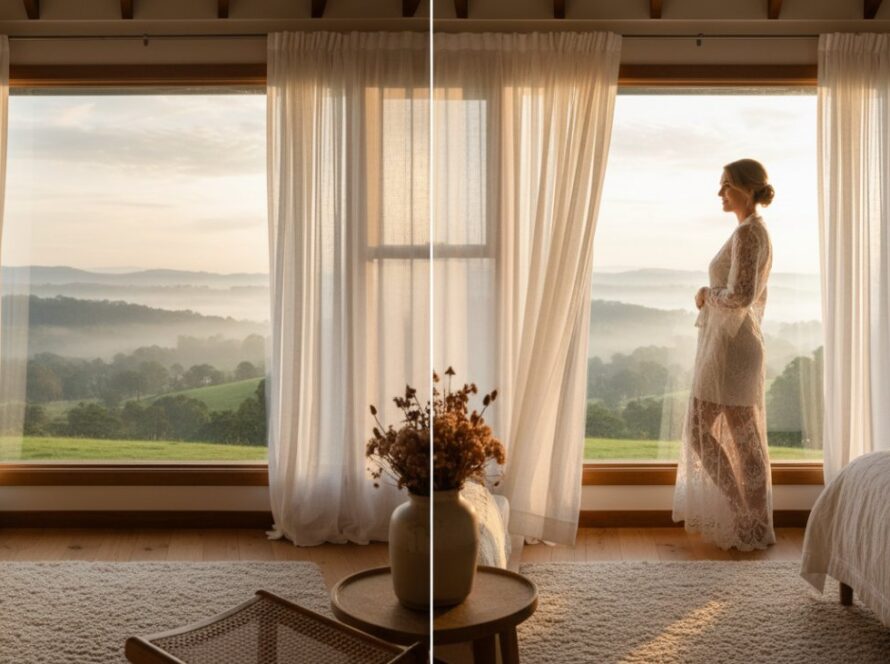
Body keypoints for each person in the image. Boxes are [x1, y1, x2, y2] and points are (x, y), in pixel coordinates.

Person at [672, 158, 776, 551]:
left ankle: (745, 517)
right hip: (733, 343)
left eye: (726, 185)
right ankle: (749, 520)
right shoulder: (750, 231)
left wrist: (706, 294)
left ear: (747, 189)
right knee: (737, 436)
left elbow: (742, 296)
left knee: (716, 432)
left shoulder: (750, 233)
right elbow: (753, 298)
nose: (720, 192)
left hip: (734, 347)